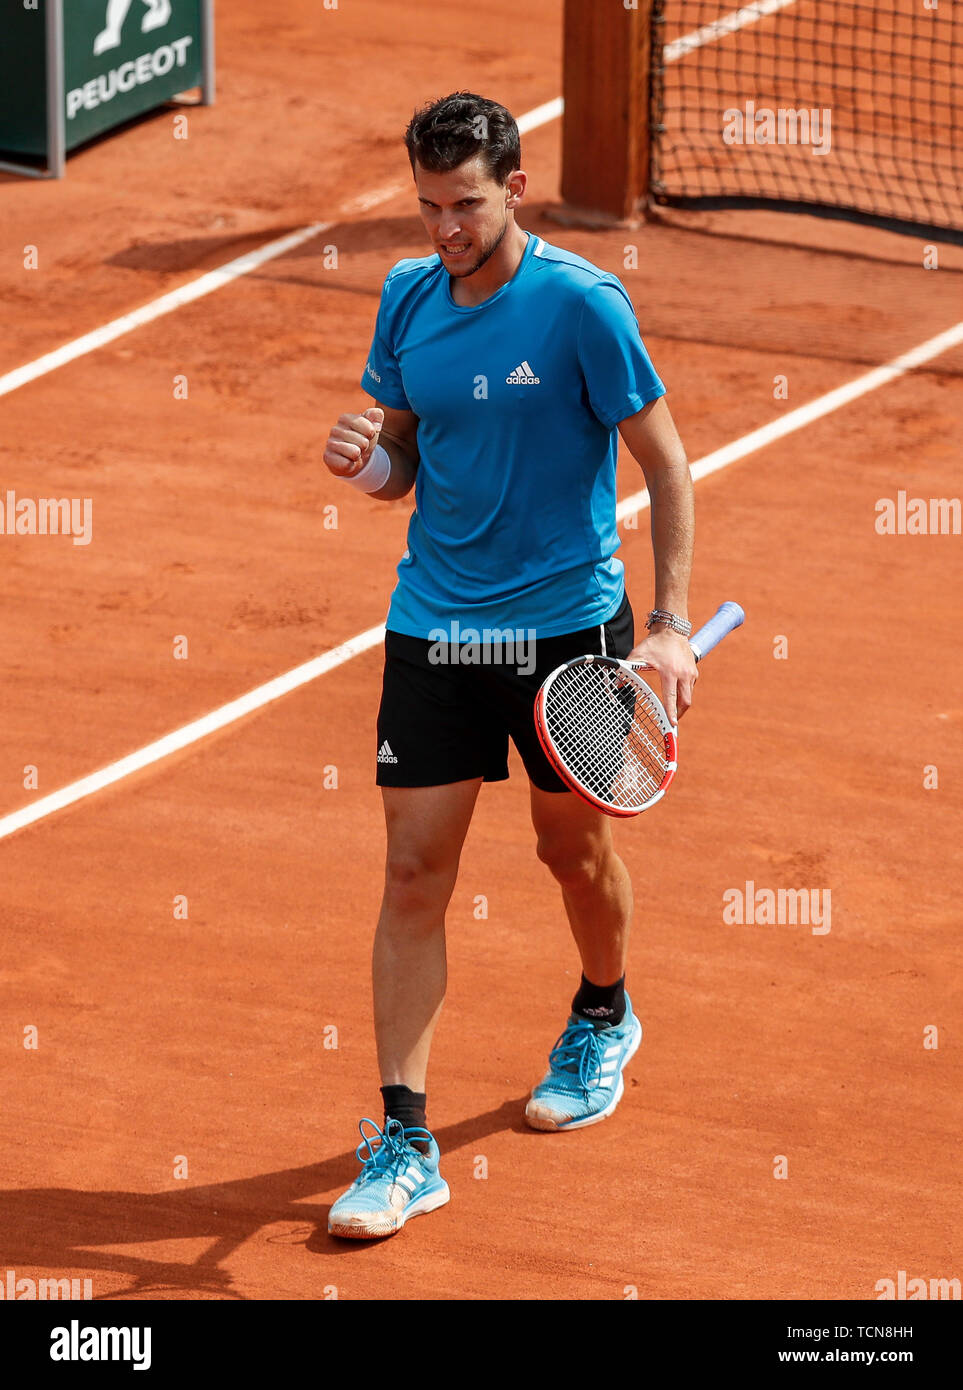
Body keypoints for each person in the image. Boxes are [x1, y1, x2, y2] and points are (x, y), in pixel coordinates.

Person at [322, 92, 697, 1239]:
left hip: (561, 629)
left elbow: (669, 469)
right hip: (435, 625)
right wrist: (367, 466)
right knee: (411, 877)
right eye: (428, 205)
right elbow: (404, 458)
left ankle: (603, 1008)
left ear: (513, 189)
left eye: (465, 205)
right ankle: (403, 1137)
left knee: (570, 851)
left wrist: (671, 625)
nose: (445, 228)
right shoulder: (407, 296)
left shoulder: (582, 308)